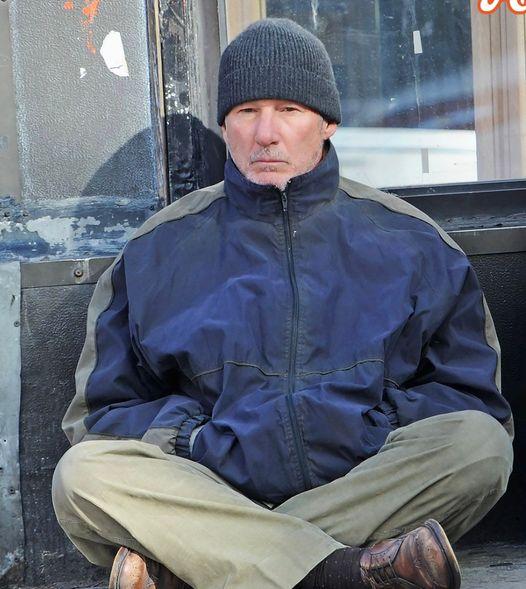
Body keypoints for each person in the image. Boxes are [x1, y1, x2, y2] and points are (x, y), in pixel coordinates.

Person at [52, 18, 514, 589]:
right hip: (210, 489)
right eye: (247, 112)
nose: (266, 133)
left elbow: (470, 397)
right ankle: (346, 572)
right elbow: (100, 416)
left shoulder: (413, 242)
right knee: (83, 477)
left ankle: (212, 565)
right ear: (225, 124)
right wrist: (195, 438)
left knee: (480, 447)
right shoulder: (157, 249)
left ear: (327, 122)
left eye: (289, 110)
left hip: (361, 485)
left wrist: (375, 427)